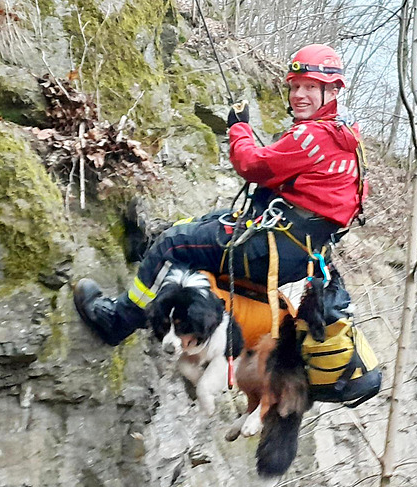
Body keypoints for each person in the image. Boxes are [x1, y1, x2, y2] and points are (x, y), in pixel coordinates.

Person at [74, 43, 367, 346]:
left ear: (332, 92)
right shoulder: (349, 136)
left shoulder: (312, 136)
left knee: (175, 243)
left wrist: (238, 127)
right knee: (202, 224)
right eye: (295, 87)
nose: (299, 95)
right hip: (300, 252)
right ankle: (151, 262)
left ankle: (116, 321)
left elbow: (252, 165)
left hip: (273, 249)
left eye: (310, 87)